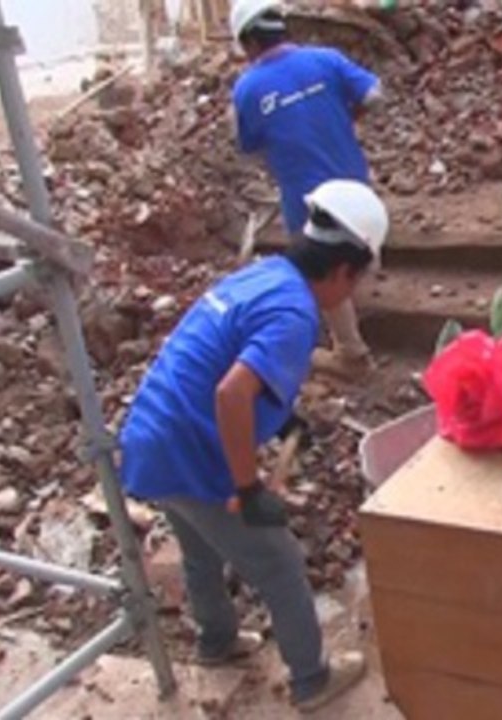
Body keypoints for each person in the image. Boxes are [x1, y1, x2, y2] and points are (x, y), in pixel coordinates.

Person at [118, 180, 389, 711]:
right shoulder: (295, 315)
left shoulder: (265, 276)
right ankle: (311, 679)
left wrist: (282, 419)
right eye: (356, 281)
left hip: (152, 436)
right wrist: (247, 487)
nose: (352, 293)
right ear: (342, 271)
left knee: (199, 549)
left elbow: (225, 359)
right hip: (189, 451)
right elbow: (231, 392)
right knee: (281, 564)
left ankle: (216, 641)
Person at [229, 0, 384, 375]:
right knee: (355, 240)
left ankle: (351, 353)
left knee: (320, 265)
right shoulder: (325, 59)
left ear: (249, 43)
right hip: (352, 177)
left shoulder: (248, 87)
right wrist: (345, 117)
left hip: (305, 194)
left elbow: (248, 145)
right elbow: (374, 94)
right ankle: (357, 287)